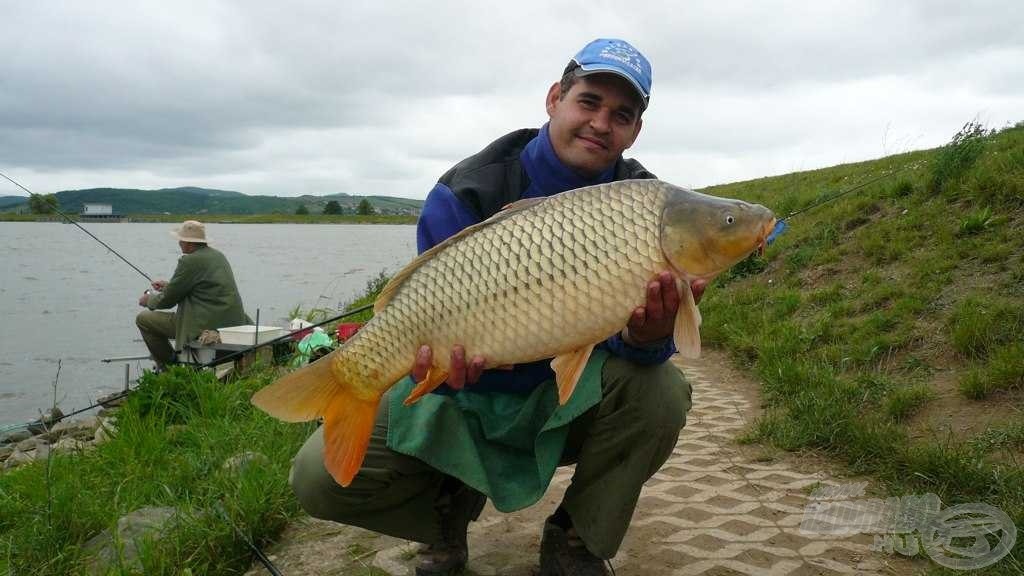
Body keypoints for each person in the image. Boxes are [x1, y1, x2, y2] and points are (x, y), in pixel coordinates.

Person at [289, 38, 705, 576]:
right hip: (466, 391)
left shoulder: (647, 202)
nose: (602, 123)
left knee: (662, 392)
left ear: (635, 131)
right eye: (589, 102)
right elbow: (435, 328)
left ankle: (577, 537)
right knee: (315, 480)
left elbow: (640, 354)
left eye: (621, 115)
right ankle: (443, 518)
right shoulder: (466, 190)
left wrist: (650, 339)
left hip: (562, 395)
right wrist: (445, 369)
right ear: (555, 98)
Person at [136, 220, 251, 369]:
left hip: (204, 325)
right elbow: (202, 288)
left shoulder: (190, 261)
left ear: (189, 243)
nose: (179, 243)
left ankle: (170, 366)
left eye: (181, 240)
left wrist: (148, 300)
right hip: (230, 321)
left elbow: (168, 300)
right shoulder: (218, 256)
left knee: (143, 319)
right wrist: (168, 286)